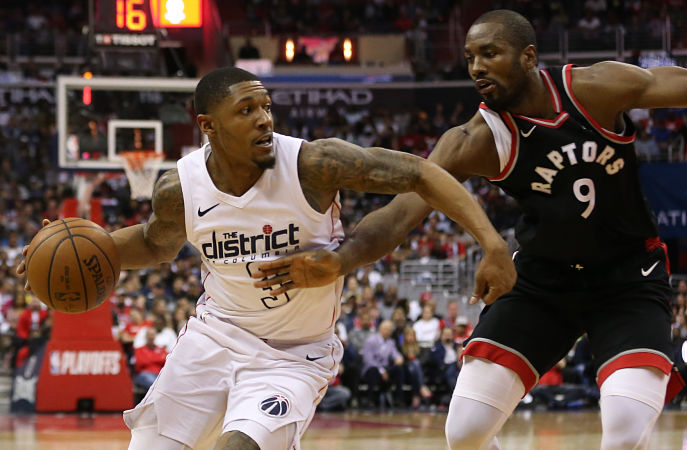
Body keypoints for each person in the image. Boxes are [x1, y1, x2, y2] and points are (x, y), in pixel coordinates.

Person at [252, 10, 687, 450]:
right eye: (469, 58)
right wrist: (338, 261)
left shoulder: (594, 89)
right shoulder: (475, 140)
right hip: (541, 283)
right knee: (464, 431)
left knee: (623, 433)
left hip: (628, 281)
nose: (477, 67)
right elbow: (396, 216)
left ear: (528, 57)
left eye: (490, 54)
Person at [17, 67, 514, 450]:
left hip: (294, 355)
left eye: (266, 106)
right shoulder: (180, 188)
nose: (264, 119)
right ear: (207, 125)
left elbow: (422, 175)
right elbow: (154, 244)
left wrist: (491, 243)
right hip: (212, 339)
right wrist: (76, 245)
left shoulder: (313, 164)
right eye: (246, 110)